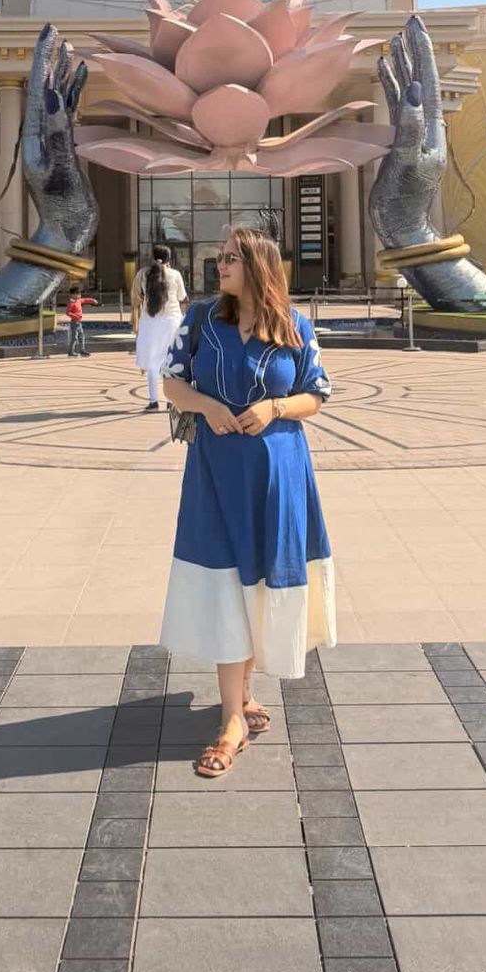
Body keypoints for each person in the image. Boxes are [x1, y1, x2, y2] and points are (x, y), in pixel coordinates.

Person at [159, 226, 335, 778]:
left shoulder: (294, 326)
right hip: (215, 471)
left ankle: (243, 693)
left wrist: (277, 409)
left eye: (230, 258)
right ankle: (232, 718)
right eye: (219, 257)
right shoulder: (201, 321)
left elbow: (317, 394)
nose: (220, 266)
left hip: (277, 472)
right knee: (223, 581)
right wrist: (208, 406)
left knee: (259, 580)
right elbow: (170, 383)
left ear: (258, 264)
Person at [132, 244, 187, 412]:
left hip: (150, 322)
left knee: (152, 363)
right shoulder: (175, 275)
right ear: (169, 259)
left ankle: (153, 401)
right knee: (170, 362)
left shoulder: (143, 274)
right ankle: (171, 401)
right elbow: (182, 297)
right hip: (172, 322)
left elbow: (137, 297)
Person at [64, 284, 98, 357]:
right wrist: (75, 316)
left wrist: (92, 300)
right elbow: (67, 312)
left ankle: (82, 350)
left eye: (79, 293)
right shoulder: (71, 302)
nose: (79, 295)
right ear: (73, 294)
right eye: (78, 294)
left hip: (79, 322)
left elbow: (85, 300)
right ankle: (71, 352)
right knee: (74, 337)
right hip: (74, 322)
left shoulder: (78, 300)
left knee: (81, 336)